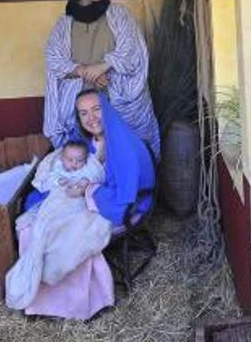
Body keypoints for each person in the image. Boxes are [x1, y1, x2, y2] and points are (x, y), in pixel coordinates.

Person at [10, 88, 155, 320]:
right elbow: (72, 166)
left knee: (70, 235)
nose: (91, 118)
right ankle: (38, 301)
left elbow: (125, 193)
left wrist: (88, 190)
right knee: (33, 225)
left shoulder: (124, 144)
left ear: (106, 109)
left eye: (97, 109)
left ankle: (75, 305)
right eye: (84, 113)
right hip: (91, 198)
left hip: (118, 205)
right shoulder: (88, 143)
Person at [43, 0, 160, 159]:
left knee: (130, 154)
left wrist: (103, 66)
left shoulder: (119, 14)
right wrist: (84, 71)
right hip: (80, 104)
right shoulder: (63, 24)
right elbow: (53, 58)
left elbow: (132, 49)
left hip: (119, 98)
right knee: (86, 158)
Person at [5, 140, 106, 310]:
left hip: (76, 203)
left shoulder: (88, 168)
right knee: (43, 226)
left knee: (70, 224)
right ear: (62, 157)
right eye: (70, 160)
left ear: (85, 160)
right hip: (56, 200)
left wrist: (84, 184)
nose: (74, 164)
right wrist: (61, 183)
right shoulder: (57, 167)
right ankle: (33, 265)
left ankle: (50, 266)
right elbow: (48, 181)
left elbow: (96, 177)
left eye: (79, 160)